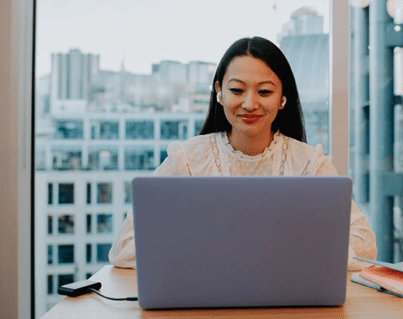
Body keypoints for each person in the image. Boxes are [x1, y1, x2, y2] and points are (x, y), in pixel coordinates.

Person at [109, 37, 377, 270]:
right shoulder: (188, 160)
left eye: (265, 92)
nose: (250, 104)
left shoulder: (310, 164)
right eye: (237, 90)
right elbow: (125, 247)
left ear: (283, 97)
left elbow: (364, 245)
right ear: (219, 93)